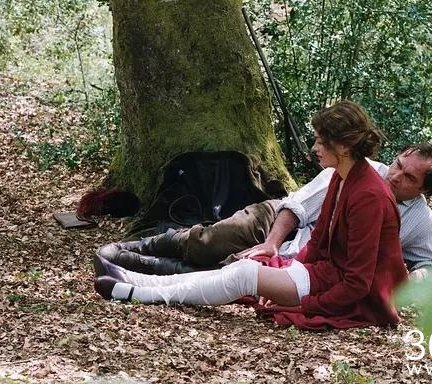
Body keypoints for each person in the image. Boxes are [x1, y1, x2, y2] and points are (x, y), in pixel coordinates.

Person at [94, 100, 408, 330]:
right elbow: (318, 243)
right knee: (245, 267)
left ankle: (142, 293)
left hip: (353, 296)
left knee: (244, 276)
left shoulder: (368, 195)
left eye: (320, 141)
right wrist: (289, 271)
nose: (315, 148)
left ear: (343, 147)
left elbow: (358, 283)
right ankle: (140, 281)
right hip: (324, 274)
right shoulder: (341, 176)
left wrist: (304, 303)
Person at [96, 144, 432, 280]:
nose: (395, 176)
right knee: (210, 243)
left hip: (307, 256)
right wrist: (271, 244)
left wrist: (415, 279)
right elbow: (297, 206)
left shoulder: (420, 220)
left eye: (409, 178)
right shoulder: (359, 171)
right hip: (280, 221)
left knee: (228, 271)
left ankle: (138, 266)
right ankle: (140, 247)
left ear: (423, 192)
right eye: (398, 165)